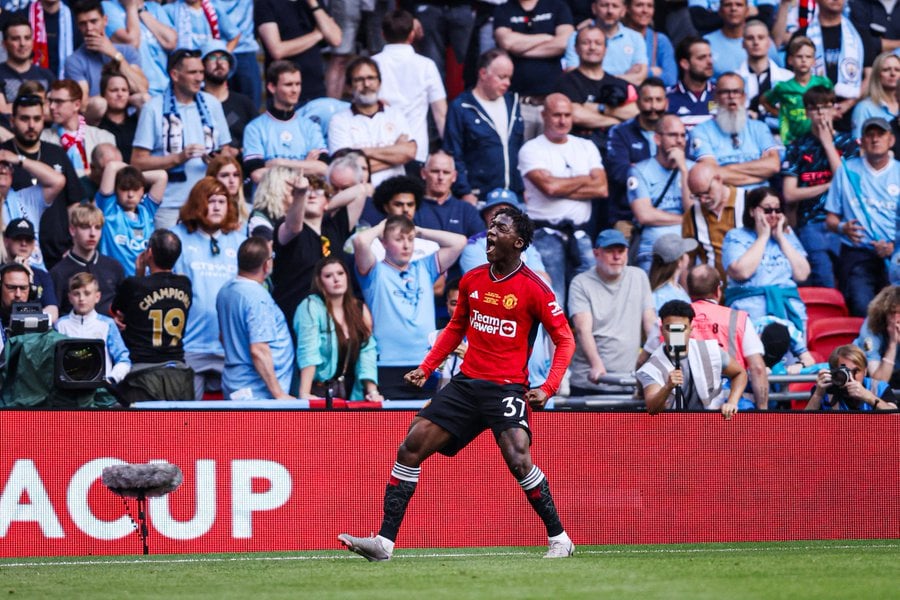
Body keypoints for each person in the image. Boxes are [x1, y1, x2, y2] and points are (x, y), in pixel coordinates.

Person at [338, 207, 577, 561]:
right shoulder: (472, 279)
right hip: (466, 384)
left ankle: (560, 538)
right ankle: (383, 544)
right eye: (491, 226)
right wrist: (427, 366)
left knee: (518, 458)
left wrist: (549, 386)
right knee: (411, 446)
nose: (491, 233)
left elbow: (566, 339)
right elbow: (455, 328)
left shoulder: (535, 289)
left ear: (519, 242)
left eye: (500, 228)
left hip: (506, 387)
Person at [352, 214, 467, 399]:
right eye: (398, 239)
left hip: (425, 363)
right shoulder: (375, 271)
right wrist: (383, 226)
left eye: (410, 239)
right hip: (387, 364)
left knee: (424, 426)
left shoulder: (424, 267)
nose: (406, 245)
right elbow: (360, 241)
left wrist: (419, 231)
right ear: (383, 243)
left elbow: (459, 242)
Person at [518, 93, 608, 307]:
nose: (562, 120)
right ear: (544, 115)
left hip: (581, 233)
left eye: (567, 115)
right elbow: (549, 187)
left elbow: (602, 188)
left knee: (590, 300)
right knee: (552, 300)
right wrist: (586, 178)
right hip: (545, 233)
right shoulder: (531, 149)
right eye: (556, 115)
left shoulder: (586, 146)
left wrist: (561, 185)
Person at [131, 48, 232, 229]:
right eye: (193, 72)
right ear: (175, 75)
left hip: (208, 202)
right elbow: (137, 162)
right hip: (169, 205)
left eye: (201, 72)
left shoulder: (212, 104)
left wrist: (216, 159)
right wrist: (177, 158)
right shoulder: (153, 108)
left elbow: (226, 151)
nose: (200, 78)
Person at [172, 176, 246, 400]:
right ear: (197, 203)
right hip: (190, 345)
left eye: (222, 201)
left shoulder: (240, 241)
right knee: (187, 421)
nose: (216, 207)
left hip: (232, 349)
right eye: (210, 200)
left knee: (239, 421)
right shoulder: (177, 238)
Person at [781, 85, 858, 289]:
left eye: (825, 107)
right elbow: (789, 194)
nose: (821, 113)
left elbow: (847, 184)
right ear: (807, 112)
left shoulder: (849, 143)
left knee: (849, 281)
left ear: (834, 109)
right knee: (823, 280)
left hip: (844, 222)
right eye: (814, 108)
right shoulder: (797, 147)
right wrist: (827, 186)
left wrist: (827, 144)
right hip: (811, 223)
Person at [825, 117, 900, 316]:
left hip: (895, 255)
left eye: (880, 134)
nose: (875, 139)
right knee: (861, 307)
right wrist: (843, 228)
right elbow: (830, 219)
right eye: (870, 135)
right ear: (862, 141)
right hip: (858, 254)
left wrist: (894, 246)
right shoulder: (846, 171)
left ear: (891, 140)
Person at [110, 228, 195, 402]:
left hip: (142, 375)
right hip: (178, 373)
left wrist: (139, 273)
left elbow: (116, 312)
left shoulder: (134, 284)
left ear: (149, 253)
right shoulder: (185, 284)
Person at [2, 92, 84, 270]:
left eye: (37, 119)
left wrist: (74, 245)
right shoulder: (2, 156)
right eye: (24, 119)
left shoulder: (56, 152)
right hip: (16, 252)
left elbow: (73, 204)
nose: (31, 125)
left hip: (60, 252)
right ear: (12, 121)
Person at [272, 170, 366, 326]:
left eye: (317, 192)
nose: (312, 195)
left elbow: (360, 191)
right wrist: (301, 194)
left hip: (332, 317)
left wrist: (326, 204)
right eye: (307, 192)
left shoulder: (334, 227)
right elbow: (293, 227)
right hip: (294, 317)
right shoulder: (286, 225)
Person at [568, 228, 655, 395]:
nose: (617, 257)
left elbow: (650, 323)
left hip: (628, 380)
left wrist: (655, 361)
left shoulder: (639, 276)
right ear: (596, 253)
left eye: (621, 251)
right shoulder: (581, 282)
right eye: (610, 251)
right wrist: (596, 364)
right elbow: (582, 330)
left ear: (627, 253)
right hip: (590, 381)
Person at [722, 186, 810, 335]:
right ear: (752, 211)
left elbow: (802, 274)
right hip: (750, 310)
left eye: (778, 210)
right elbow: (742, 272)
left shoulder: (787, 235)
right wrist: (763, 236)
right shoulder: (736, 236)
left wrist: (781, 238)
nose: (774, 215)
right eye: (768, 210)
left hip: (788, 308)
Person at [636, 299, 746, 418]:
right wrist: (667, 387)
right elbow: (652, 409)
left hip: (710, 424)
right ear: (662, 330)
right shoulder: (651, 367)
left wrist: (732, 402)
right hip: (672, 428)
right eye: (670, 328)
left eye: (681, 328)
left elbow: (740, 373)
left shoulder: (711, 350)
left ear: (690, 329)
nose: (676, 334)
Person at [293, 255, 382, 401]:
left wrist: (372, 391)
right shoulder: (310, 307)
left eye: (340, 273)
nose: (336, 279)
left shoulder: (359, 309)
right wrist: (305, 393)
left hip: (350, 390)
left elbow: (367, 351)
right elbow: (307, 350)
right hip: (317, 389)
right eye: (328, 275)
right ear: (319, 281)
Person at [216, 236, 294, 401]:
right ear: (267, 264)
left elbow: (223, 337)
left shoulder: (225, 290)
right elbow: (258, 350)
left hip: (236, 383)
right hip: (257, 395)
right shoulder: (257, 298)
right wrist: (279, 394)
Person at [443, 48, 525, 204]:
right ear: (483, 74)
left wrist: (523, 188)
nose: (507, 83)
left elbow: (519, 148)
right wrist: (464, 192)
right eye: (502, 77)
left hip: (514, 197)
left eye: (509, 77)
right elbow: (453, 153)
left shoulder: (512, 103)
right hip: (479, 198)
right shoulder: (461, 107)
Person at [372, 9, 447, 170]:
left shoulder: (372, 64)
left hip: (380, 152)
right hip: (417, 153)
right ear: (412, 35)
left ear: (382, 34)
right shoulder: (426, 65)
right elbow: (440, 113)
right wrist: (449, 152)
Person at [327, 57, 416, 186]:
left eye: (371, 78)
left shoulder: (395, 114)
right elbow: (344, 170)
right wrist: (396, 154)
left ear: (379, 82)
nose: (366, 84)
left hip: (396, 191)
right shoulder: (339, 120)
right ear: (349, 86)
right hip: (359, 195)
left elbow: (409, 152)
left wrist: (361, 153)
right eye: (359, 80)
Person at [493, 0, 574, 140]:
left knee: (551, 156)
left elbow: (563, 43)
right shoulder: (504, 9)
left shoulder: (558, 6)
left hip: (551, 104)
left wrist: (520, 50)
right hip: (519, 104)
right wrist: (546, 37)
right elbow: (507, 42)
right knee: (518, 156)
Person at [688, 72, 780, 190]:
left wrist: (725, 169)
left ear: (744, 97)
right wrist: (760, 174)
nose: (731, 96)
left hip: (761, 201)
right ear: (716, 97)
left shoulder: (759, 127)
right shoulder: (701, 131)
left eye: (736, 91)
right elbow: (710, 174)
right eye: (725, 92)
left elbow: (774, 165)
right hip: (724, 200)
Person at [242, 60, 327, 183]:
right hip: (270, 200)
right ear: (272, 87)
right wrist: (305, 166)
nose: (295, 90)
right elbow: (257, 175)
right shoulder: (254, 128)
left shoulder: (310, 126)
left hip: (304, 199)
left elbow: (323, 168)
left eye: (298, 84)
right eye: (288, 84)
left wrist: (279, 163)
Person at [554, 26, 639, 148]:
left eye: (598, 43)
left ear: (605, 49)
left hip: (614, 149)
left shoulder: (618, 83)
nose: (592, 47)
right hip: (577, 149)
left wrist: (601, 108)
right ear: (576, 49)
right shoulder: (566, 81)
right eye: (586, 43)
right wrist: (618, 120)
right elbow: (576, 115)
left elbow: (635, 113)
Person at [628, 114, 694, 271]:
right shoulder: (639, 170)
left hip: (688, 247)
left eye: (683, 135)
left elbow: (692, 211)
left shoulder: (693, 169)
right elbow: (645, 215)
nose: (679, 141)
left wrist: (684, 171)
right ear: (657, 139)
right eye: (673, 135)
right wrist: (685, 220)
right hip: (653, 250)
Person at [605, 77, 667, 230]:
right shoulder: (620, 132)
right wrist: (663, 171)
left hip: (667, 212)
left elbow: (685, 168)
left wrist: (637, 169)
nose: (653, 106)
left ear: (666, 103)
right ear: (638, 103)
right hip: (627, 216)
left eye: (658, 100)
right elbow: (619, 173)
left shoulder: (675, 131)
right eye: (648, 100)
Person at [254, 0, 342, 106]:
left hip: (316, 89)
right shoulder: (265, 3)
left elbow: (335, 39)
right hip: (285, 93)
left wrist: (314, 5)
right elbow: (277, 50)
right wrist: (316, 35)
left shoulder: (313, 3)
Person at [54, 271, 131, 383]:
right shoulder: (60, 325)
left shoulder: (107, 324)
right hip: (67, 390)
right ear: (70, 298)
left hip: (100, 390)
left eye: (87, 293)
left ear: (97, 296)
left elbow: (123, 359)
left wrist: (111, 379)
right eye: (76, 294)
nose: (81, 298)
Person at [94, 161, 167, 276]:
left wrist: (133, 174)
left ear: (142, 190)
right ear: (116, 190)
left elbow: (161, 176)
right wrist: (130, 174)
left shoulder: (147, 211)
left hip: (144, 283)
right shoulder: (109, 210)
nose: (130, 195)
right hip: (114, 283)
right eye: (124, 189)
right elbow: (111, 167)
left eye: (135, 188)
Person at [49, 203, 124, 316]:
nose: (92, 233)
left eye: (97, 227)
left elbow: (123, 307)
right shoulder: (58, 273)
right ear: (72, 230)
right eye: (85, 227)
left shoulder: (114, 267)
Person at [65, 0, 147, 99]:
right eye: (83, 24)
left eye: (94, 21)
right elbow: (82, 104)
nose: (89, 28)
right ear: (78, 27)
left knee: (144, 98)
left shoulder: (127, 51)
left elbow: (142, 88)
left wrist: (114, 54)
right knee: (99, 104)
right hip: (96, 112)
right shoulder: (74, 61)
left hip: (127, 109)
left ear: (105, 21)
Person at [759, 36, 832, 146]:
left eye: (808, 57)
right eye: (799, 56)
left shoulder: (824, 83)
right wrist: (779, 113)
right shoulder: (782, 87)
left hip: (819, 140)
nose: (804, 60)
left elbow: (832, 106)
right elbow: (764, 100)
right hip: (792, 142)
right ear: (790, 60)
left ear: (814, 61)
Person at [683, 161, 745, 281]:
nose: (703, 200)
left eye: (706, 193)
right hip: (712, 291)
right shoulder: (691, 215)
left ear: (718, 179)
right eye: (696, 196)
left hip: (747, 290)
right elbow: (687, 263)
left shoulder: (748, 201)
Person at [41, 79, 115, 177]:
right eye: (50, 101)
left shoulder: (103, 137)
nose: (52, 106)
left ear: (76, 105)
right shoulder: (43, 138)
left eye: (59, 101)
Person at [563, 0, 648, 85]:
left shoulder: (636, 38)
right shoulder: (577, 37)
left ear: (623, 10)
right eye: (604, 5)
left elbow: (639, 78)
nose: (610, 11)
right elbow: (574, 76)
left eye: (615, 6)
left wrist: (594, 78)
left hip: (625, 96)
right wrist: (624, 77)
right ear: (594, 8)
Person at [201, 39, 256, 155]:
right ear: (202, 66)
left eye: (224, 58)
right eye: (212, 58)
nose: (219, 63)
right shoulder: (195, 102)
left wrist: (239, 151)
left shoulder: (244, 103)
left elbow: (258, 139)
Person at [739, 19, 791, 135]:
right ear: (743, 44)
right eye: (750, 38)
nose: (756, 42)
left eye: (761, 37)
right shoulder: (732, 79)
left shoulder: (788, 79)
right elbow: (714, 108)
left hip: (782, 142)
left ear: (769, 43)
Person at [805, 344, 898, 410]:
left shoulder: (879, 388)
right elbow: (804, 427)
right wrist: (817, 395)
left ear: (865, 371)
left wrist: (868, 396)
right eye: (844, 371)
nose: (850, 377)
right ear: (834, 371)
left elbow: (896, 419)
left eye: (856, 371)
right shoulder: (825, 389)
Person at [3, 217, 58, 322]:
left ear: (34, 244)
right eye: (18, 238)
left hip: (32, 334)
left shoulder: (42, 275)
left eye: (28, 239)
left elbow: (53, 312)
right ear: (6, 241)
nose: (24, 243)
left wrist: (30, 280)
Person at [0, 15, 56, 116]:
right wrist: (42, 107)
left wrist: (12, 107)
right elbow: (2, 111)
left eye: (27, 38)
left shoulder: (47, 75)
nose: (22, 43)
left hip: (46, 131)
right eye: (15, 39)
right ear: (4, 44)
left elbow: (56, 112)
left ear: (32, 41)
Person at [623, 0, 676, 87]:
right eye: (639, 5)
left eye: (650, 6)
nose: (645, 10)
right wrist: (654, 71)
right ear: (627, 8)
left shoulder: (660, 40)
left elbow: (671, 79)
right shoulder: (617, 37)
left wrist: (646, 72)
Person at [855, 285, 900, 386]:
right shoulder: (871, 328)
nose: (897, 318)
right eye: (893, 312)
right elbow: (879, 382)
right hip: (864, 379)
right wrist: (892, 344)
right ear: (884, 312)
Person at [667, 36, 716, 130]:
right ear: (685, 64)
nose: (710, 62)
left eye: (710, 56)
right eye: (702, 58)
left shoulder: (722, 95)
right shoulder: (666, 98)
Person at [850, 51, 900, 140]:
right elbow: (857, 146)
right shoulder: (864, 108)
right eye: (886, 70)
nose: (893, 74)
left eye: (897, 70)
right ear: (877, 74)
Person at [95, 70, 139, 162]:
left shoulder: (137, 121)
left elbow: (144, 99)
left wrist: (129, 99)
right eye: (114, 90)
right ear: (103, 94)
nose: (120, 94)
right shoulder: (97, 122)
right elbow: (97, 104)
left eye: (124, 90)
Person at [649, 233, 696, 311]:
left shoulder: (676, 289)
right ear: (679, 262)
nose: (688, 256)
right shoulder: (668, 296)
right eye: (686, 253)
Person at [206, 154, 247, 224]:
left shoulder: (251, 211)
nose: (232, 180)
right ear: (212, 179)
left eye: (236, 175)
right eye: (225, 175)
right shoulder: (205, 210)